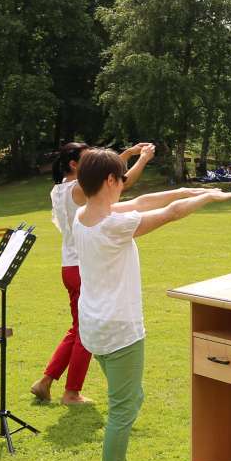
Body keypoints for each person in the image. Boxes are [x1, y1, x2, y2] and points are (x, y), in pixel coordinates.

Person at [70, 147, 231, 461]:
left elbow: (143, 201)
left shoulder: (84, 216)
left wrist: (187, 190)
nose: (125, 185)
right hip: (119, 329)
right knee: (123, 409)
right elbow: (169, 214)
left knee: (125, 402)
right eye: (121, 179)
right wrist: (208, 197)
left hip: (95, 326)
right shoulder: (113, 225)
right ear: (110, 181)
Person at [32, 142, 153, 406]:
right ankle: (71, 392)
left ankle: (46, 381)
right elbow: (121, 182)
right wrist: (143, 159)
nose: (92, 165)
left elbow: (105, 174)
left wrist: (126, 154)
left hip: (69, 265)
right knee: (85, 333)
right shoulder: (78, 189)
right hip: (84, 265)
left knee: (77, 329)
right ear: (74, 165)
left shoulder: (59, 189)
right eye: (87, 160)